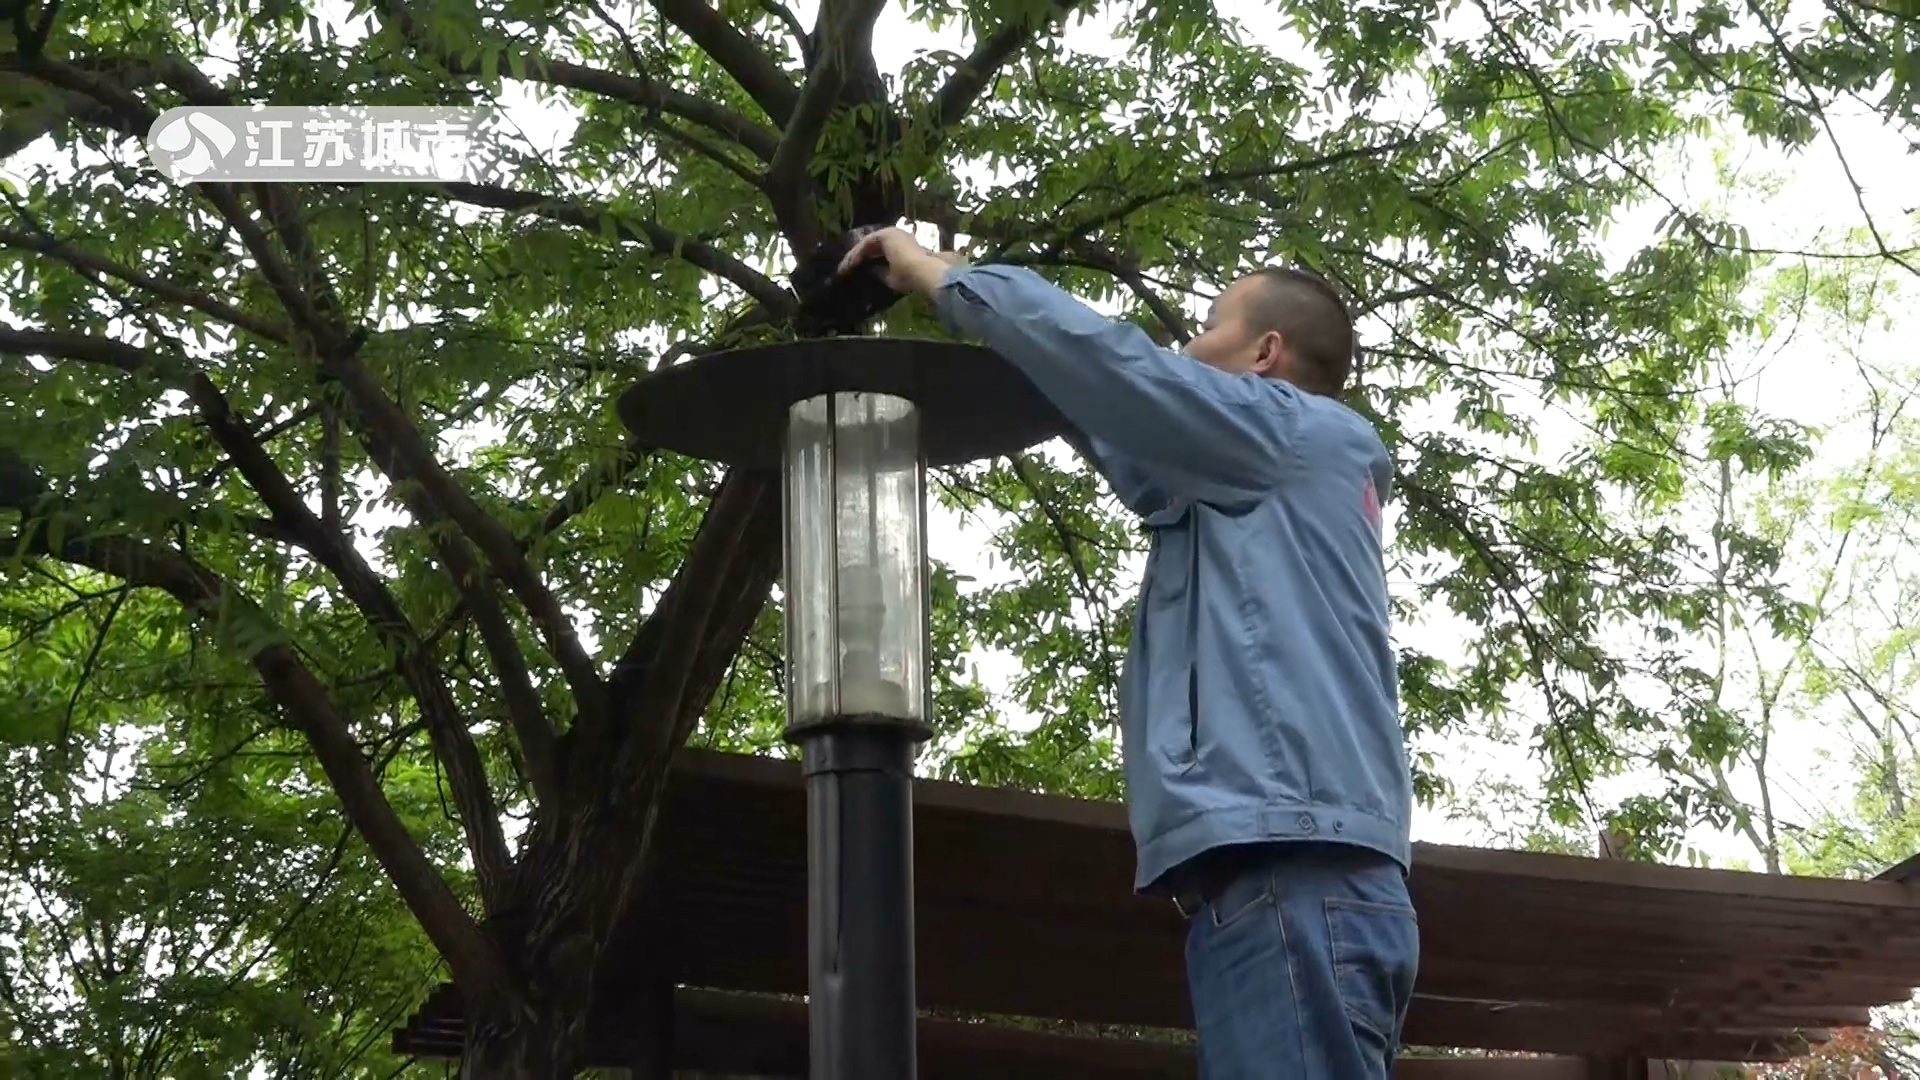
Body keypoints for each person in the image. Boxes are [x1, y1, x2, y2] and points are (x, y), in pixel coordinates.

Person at [840, 228, 1420, 1080]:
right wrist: (1005, 335)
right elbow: (1111, 409)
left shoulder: (1294, 436)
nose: (1187, 345)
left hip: (1290, 878)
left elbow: (1121, 372)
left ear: (1265, 353)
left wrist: (942, 276)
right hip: (1289, 882)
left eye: (1210, 327)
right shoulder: (1260, 485)